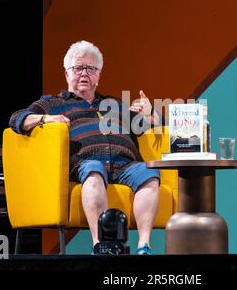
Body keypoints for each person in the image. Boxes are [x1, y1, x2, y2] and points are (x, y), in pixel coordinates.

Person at [9, 40, 161, 255]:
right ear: (67, 73)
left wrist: (149, 111)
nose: (84, 74)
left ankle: (143, 246)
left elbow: (153, 123)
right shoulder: (53, 103)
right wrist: (46, 119)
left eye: (91, 69)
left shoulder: (114, 104)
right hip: (85, 162)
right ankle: (101, 245)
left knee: (148, 173)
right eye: (78, 68)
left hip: (125, 164)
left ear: (98, 76)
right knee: (94, 171)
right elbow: (17, 119)